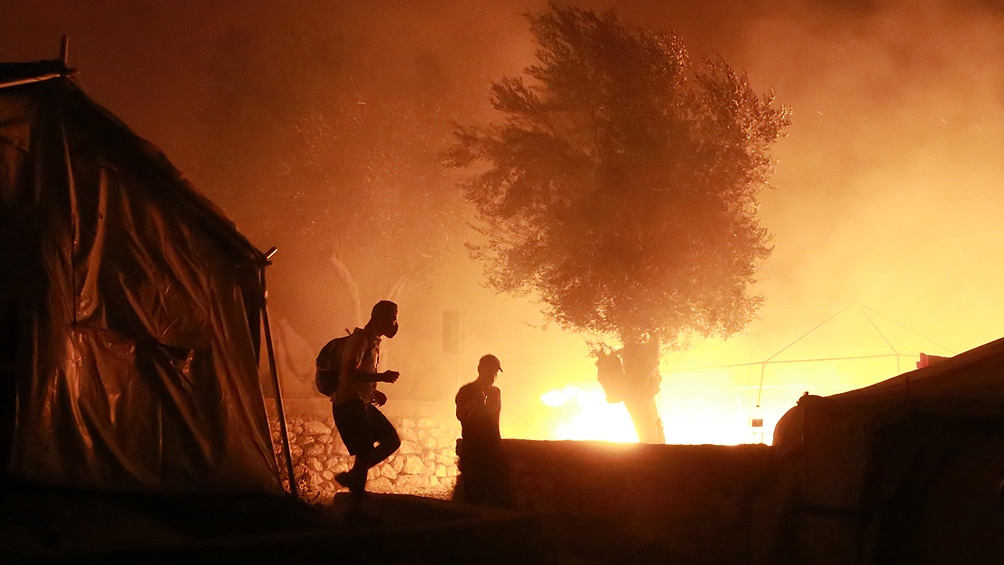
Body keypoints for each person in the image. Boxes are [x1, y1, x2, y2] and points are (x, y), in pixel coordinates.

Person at [331, 300, 402, 521]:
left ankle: (354, 478)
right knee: (364, 452)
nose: (395, 324)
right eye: (393, 318)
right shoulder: (360, 340)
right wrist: (381, 377)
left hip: (361, 402)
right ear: (380, 318)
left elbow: (357, 376)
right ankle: (355, 508)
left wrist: (373, 392)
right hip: (349, 404)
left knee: (391, 440)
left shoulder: (371, 341)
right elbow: (349, 373)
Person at [454, 354, 513, 507]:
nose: (493, 376)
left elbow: (492, 414)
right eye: (490, 371)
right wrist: (475, 404)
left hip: (494, 450)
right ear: (480, 369)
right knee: (474, 499)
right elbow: (460, 415)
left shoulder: (495, 392)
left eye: (495, 372)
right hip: (474, 451)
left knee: (501, 497)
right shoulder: (466, 391)